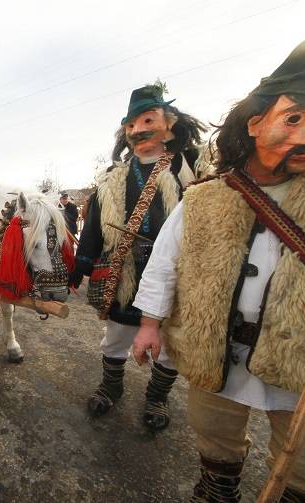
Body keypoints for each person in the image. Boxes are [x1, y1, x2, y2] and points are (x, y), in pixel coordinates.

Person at [132, 35, 305, 501]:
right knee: (214, 431)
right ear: (255, 123)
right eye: (295, 118)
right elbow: (166, 263)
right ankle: (216, 484)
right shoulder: (207, 196)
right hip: (216, 349)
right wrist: (149, 323)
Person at [68, 81, 206, 430]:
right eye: (130, 126)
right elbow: (95, 229)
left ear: (169, 123)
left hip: (179, 272)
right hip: (125, 270)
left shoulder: (194, 168)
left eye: (147, 121)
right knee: (115, 335)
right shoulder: (111, 179)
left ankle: (157, 398)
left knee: (171, 343)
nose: (137, 131)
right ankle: (111, 385)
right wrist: (78, 268)